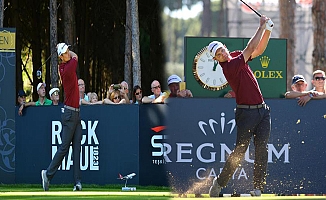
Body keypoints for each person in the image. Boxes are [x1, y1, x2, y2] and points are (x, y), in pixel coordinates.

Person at [207, 15, 273, 197]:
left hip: (262, 111)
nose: (222, 54)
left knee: (262, 149)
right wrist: (260, 26)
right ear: (217, 59)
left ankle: (258, 187)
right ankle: (219, 183)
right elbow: (251, 47)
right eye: (218, 55)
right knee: (240, 151)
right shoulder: (228, 67)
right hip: (245, 113)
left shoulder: (236, 55)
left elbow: (258, 50)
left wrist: (268, 30)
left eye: (221, 50)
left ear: (225, 47)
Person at [41, 43, 82, 191]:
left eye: (68, 50)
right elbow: (75, 56)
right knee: (64, 147)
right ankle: (48, 174)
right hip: (70, 114)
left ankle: (77, 182)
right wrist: (67, 52)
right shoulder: (68, 68)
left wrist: (64, 49)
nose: (69, 52)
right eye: (65, 52)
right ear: (61, 57)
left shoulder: (64, 66)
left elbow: (72, 55)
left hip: (76, 114)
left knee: (77, 149)